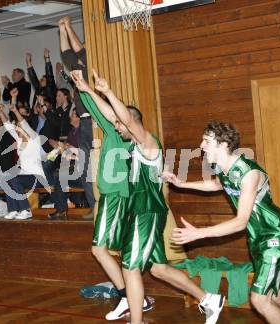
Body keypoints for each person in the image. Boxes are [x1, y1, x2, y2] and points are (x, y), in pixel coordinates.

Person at [84, 70, 224, 324]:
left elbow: (124, 118)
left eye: (120, 125)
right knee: (158, 268)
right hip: (142, 211)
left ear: (132, 124)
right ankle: (208, 299)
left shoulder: (148, 141)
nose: (117, 127)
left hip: (146, 211)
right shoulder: (136, 144)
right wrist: (90, 92)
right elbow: (114, 116)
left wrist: (107, 91)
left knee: (130, 267)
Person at [163, 121, 280, 324]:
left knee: (259, 300)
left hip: (275, 234)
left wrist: (200, 233)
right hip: (258, 236)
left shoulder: (248, 172)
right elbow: (215, 184)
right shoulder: (224, 169)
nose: (201, 145)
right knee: (278, 297)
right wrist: (181, 184)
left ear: (223, 144)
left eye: (206, 141)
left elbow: (240, 222)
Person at [72, 70, 157, 319]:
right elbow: (101, 112)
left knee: (100, 250)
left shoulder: (126, 139)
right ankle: (132, 298)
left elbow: (105, 112)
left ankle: (128, 299)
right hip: (115, 196)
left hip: (117, 196)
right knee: (115, 253)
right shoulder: (118, 134)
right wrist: (83, 89)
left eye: (120, 121)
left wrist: (87, 89)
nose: (115, 124)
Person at [58, 16, 95, 220]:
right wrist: (62, 30)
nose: (79, 50)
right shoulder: (76, 69)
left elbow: (79, 49)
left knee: (97, 168)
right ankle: (94, 205)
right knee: (84, 169)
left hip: (94, 123)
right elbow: (66, 53)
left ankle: (104, 206)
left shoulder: (90, 66)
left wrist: (69, 27)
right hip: (83, 124)